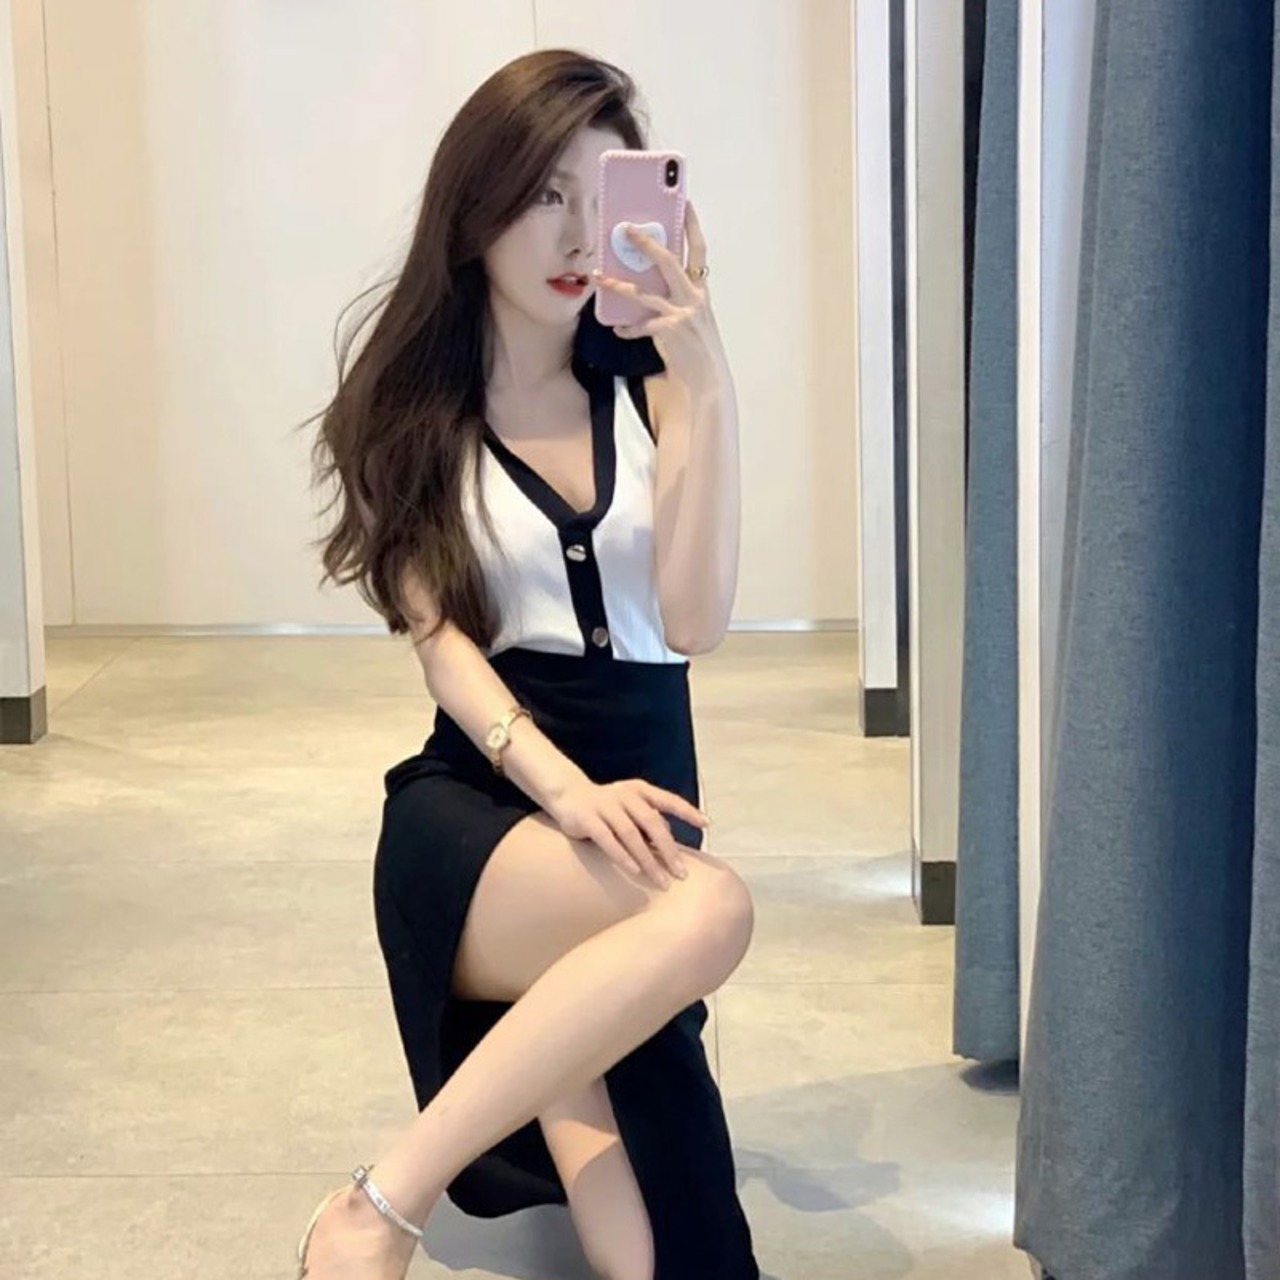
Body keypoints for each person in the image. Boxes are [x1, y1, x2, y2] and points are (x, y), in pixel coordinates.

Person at [296, 48, 759, 1280]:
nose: (574, 231)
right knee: (709, 904)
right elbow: (443, 652)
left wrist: (706, 376)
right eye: (543, 193)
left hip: (631, 841)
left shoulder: (656, 385)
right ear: (476, 209)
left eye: (601, 195)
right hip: (483, 818)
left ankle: (547, 1056)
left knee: (681, 1251)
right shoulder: (407, 412)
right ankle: (379, 1204)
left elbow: (694, 620)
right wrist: (566, 792)